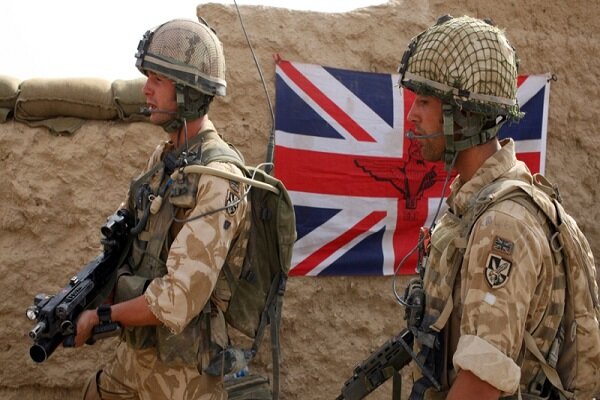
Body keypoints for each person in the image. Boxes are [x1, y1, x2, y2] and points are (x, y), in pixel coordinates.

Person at [74, 18, 249, 400]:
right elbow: (128, 245)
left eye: (157, 79)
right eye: (147, 77)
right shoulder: (164, 159)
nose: (146, 89)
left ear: (187, 92)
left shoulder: (219, 177)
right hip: (135, 356)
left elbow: (178, 299)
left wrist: (101, 316)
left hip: (183, 376)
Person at [397, 15, 567, 399]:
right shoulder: (471, 206)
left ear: (465, 114)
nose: (412, 116)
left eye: (424, 101)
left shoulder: (502, 223)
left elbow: (480, 385)